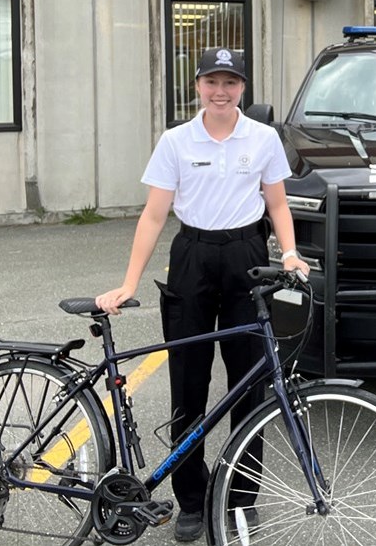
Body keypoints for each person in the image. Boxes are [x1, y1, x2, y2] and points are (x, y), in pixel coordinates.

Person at [96, 47, 309, 542]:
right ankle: (191, 500)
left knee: (249, 384)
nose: (221, 91)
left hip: (246, 259)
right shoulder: (176, 141)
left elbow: (277, 203)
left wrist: (291, 252)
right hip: (192, 257)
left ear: (242, 88)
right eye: (212, 82)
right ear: (197, 86)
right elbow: (153, 215)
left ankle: (240, 498)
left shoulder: (262, 139)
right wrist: (129, 282)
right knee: (188, 385)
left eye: (230, 83)